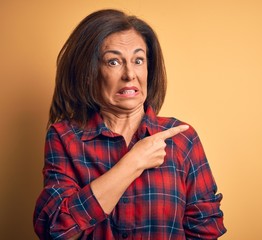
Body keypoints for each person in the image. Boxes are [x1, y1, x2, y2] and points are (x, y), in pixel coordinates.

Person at [33, 9, 226, 239]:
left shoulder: (182, 139)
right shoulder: (64, 137)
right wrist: (133, 162)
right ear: (89, 72)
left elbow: (206, 230)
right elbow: (55, 229)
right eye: (113, 61)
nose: (129, 74)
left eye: (138, 60)